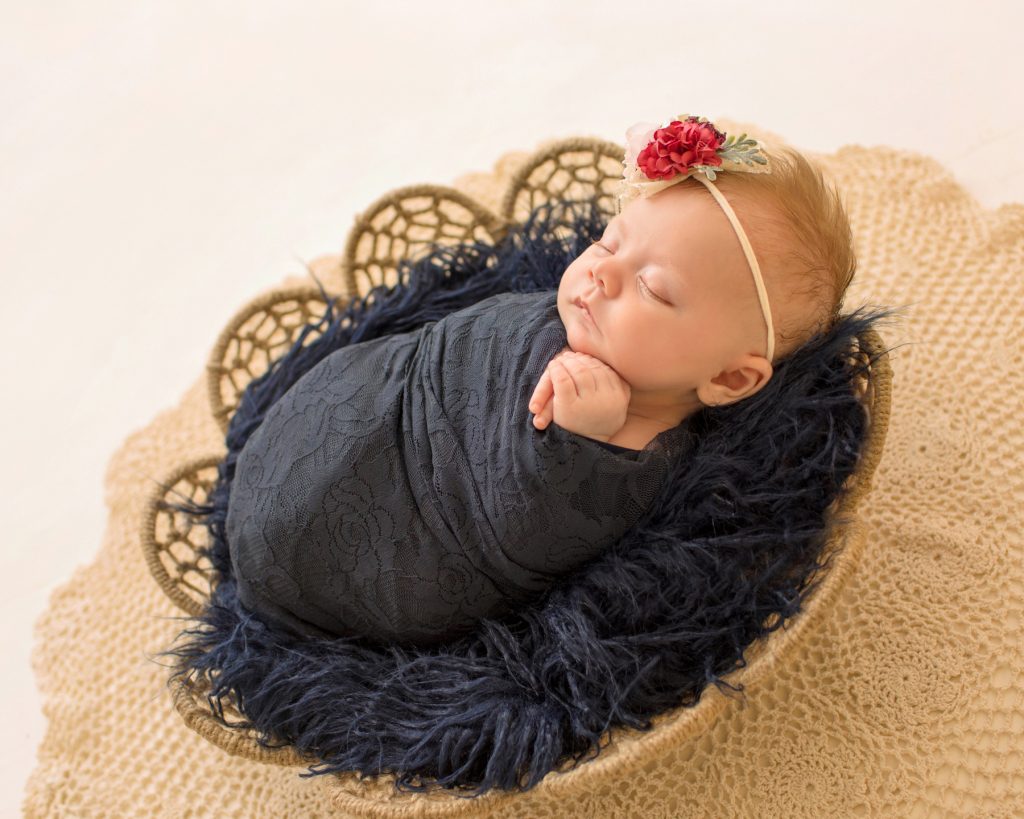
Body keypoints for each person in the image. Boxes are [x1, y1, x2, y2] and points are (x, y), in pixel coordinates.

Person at [224, 114, 858, 646]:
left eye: (653, 289)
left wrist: (580, 446)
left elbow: (535, 537)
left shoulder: (637, 448)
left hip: (406, 532)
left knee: (384, 556)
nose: (600, 276)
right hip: (390, 393)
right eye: (609, 245)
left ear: (728, 377)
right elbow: (455, 339)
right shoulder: (589, 321)